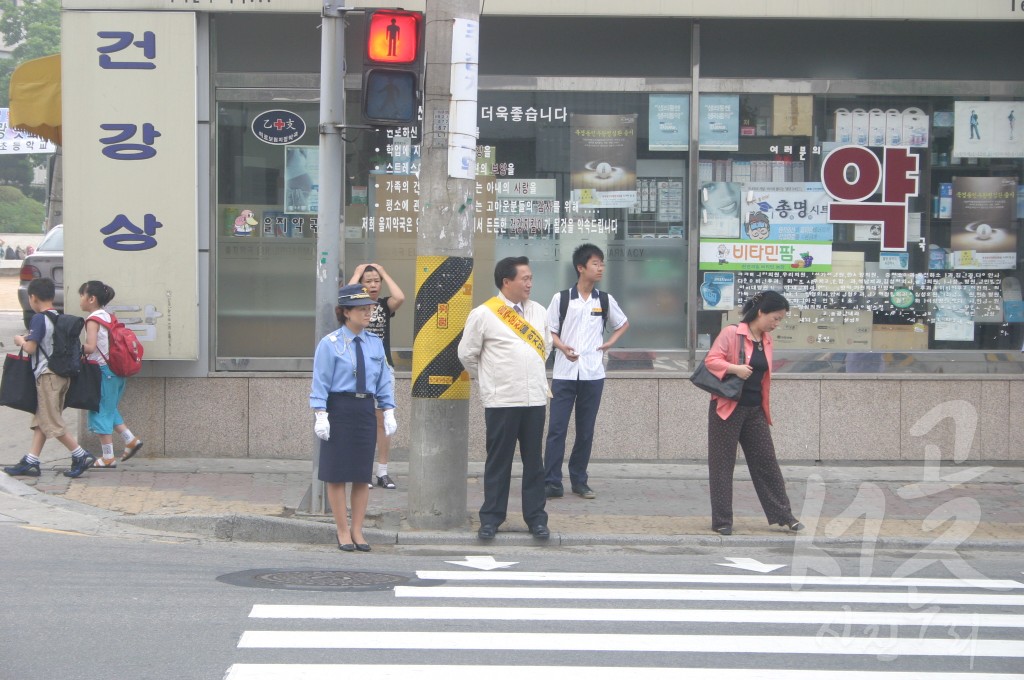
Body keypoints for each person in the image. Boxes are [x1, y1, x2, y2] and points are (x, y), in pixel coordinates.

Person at [458, 256, 552, 540]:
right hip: (502, 400)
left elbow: (545, 348)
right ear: (506, 281)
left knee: (534, 462)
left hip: (534, 399)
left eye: (531, 278)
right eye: (524, 278)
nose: (530, 284)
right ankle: (491, 518)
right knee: (499, 462)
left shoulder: (539, 311)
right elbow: (467, 354)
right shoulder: (484, 314)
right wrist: (490, 379)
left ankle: (536, 518)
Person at [703, 290, 803, 536]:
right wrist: (735, 368)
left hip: (755, 409)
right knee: (722, 466)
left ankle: (784, 516)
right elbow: (711, 360)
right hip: (727, 408)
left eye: (780, 320)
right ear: (761, 312)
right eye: (776, 318)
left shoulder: (766, 340)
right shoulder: (732, 333)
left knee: (767, 463)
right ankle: (722, 520)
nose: (777, 324)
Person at [310, 283, 397, 552]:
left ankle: (358, 530)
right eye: (361, 309)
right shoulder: (331, 344)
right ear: (346, 312)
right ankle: (342, 530)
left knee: (361, 475)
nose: (368, 313)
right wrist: (321, 414)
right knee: (337, 474)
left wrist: (389, 409)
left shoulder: (375, 343)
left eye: (369, 308)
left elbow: (383, 379)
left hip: (364, 410)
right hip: (339, 408)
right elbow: (320, 381)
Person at [543, 243, 629, 500]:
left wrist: (611, 342)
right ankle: (552, 482)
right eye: (595, 264)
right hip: (564, 373)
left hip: (593, 374)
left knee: (586, 430)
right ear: (581, 268)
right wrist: (561, 347)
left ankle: (579, 480)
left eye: (602, 263)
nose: (600, 268)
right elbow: (549, 331)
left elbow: (623, 323)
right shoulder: (562, 299)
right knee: (557, 428)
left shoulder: (604, 300)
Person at [3, 278, 96, 479]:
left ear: (32, 298)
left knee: (51, 421)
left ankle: (81, 455)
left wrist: (20, 339)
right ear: (52, 297)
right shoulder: (58, 317)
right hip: (62, 376)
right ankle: (31, 460)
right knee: (41, 419)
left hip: (47, 377)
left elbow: (30, 348)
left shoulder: (38, 319)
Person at [348, 263, 405, 490]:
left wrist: (384, 272)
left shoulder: (383, 305)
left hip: (383, 369)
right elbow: (345, 296)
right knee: (361, 420)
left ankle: (382, 472)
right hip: (356, 369)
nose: (373, 285)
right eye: (368, 281)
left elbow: (399, 297)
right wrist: (356, 273)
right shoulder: (354, 307)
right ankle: (362, 471)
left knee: (383, 421)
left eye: (376, 281)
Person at [79, 281, 144, 468]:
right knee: (108, 409)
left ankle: (108, 457)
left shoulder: (92, 320)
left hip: (103, 372)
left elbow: (90, 348)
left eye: (82, 295)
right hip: (116, 372)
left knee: (100, 412)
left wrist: (70, 347)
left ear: (92, 299)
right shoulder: (108, 317)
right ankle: (130, 440)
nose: (80, 300)